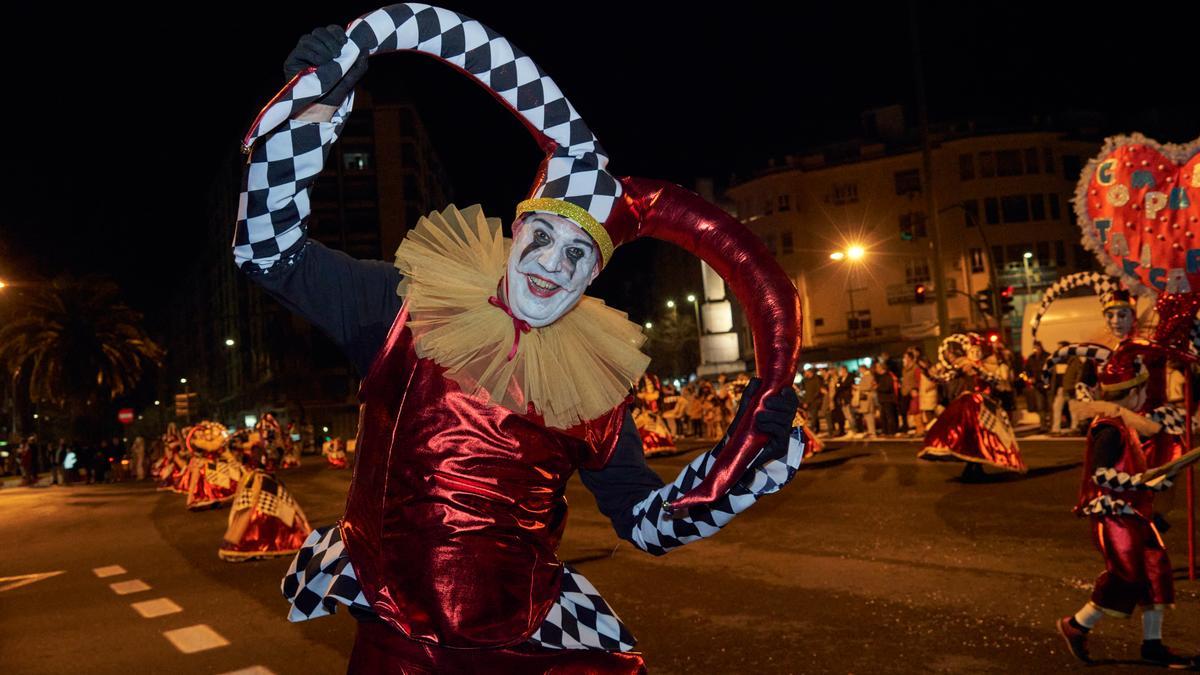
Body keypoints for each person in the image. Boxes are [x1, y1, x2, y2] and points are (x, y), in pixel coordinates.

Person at [243, 13, 803, 672]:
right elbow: (267, 249)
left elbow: (646, 522)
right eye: (545, 238)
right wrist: (315, 103)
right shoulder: (406, 309)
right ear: (517, 231)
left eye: (579, 256)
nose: (554, 267)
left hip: (528, 649)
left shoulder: (592, 383)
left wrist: (742, 458)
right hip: (400, 644)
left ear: (594, 274)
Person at [1057, 341, 1198, 669]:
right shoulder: (1108, 428)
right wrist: (1139, 482)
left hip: (1136, 513)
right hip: (1114, 517)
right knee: (1128, 576)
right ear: (1133, 394)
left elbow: (1133, 467)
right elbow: (1102, 475)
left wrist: (1154, 481)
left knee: (1157, 571)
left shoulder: (1122, 422)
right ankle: (1076, 626)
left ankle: (1153, 645)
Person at [919, 334, 1026, 480]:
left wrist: (980, 370)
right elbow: (942, 379)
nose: (975, 354)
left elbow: (995, 380)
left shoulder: (986, 368)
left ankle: (975, 466)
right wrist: (926, 372)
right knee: (968, 435)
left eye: (977, 351)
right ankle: (972, 466)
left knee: (986, 437)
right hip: (968, 405)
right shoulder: (962, 367)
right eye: (972, 351)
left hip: (984, 404)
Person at [874, 361, 899, 436]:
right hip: (883, 399)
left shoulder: (887, 376)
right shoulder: (880, 377)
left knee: (890, 416)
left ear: (882, 368)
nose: (876, 369)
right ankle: (885, 431)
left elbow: (888, 388)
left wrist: (878, 388)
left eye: (877, 367)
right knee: (883, 416)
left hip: (888, 399)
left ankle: (892, 431)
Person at [854, 364, 877, 438]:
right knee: (867, 416)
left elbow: (868, 386)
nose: (859, 371)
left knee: (869, 415)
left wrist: (859, 387)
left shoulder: (868, 376)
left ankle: (872, 432)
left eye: (860, 369)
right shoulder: (864, 376)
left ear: (863, 369)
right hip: (865, 398)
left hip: (867, 398)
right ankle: (870, 431)